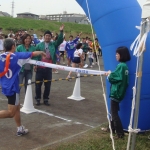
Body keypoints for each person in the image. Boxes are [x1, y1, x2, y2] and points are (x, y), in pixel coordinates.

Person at [0, 39, 46, 136]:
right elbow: (33, 53)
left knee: (17, 106)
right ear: (13, 46)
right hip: (12, 88)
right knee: (11, 112)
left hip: (4, 85)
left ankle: (20, 128)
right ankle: (19, 128)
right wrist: (41, 52)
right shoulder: (17, 56)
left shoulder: (0, 56)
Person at [103, 46, 131, 139]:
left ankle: (120, 134)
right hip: (119, 92)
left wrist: (109, 74)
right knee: (112, 111)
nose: (116, 55)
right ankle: (110, 128)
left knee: (114, 113)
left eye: (117, 54)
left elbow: (115, 78)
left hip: (117, 92)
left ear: (121, 55)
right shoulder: (124, 66)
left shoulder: (121, 66)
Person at [34, 24, 64, 106]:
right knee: (38, 84)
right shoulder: (39, 45)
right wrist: (35, 65)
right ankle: (38, 99)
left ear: (51, 37)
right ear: (44, 37)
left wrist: (61, 31)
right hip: (40, 68)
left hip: (49, 68)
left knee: (48, 85)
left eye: (49, 36)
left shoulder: (53, 44)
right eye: (46, 36)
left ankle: (46, 99)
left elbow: (60, 40)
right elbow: (36, 56)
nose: (47, 37)